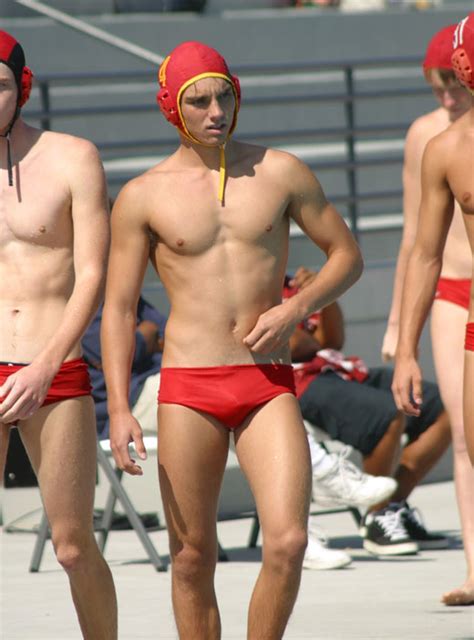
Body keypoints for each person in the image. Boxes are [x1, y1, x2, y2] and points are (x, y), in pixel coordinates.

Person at [101, 40, 362, 639]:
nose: (216, 111)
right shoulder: (143, 195)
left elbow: (346, 256)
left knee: (290, 541)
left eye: (225, 96)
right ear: (173, 108)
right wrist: (118, 408)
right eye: (200, 101)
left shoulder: (282, 171)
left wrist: (296, 306)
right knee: (192, 558)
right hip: (189, 385)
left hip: (266, 381)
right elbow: (116, 310)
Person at [0, 30, 117, 637]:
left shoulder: (74, 156)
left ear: (22, 87)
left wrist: (45, 364)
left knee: (73, 546)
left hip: (54, 363)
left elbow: (93, 273)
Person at [388, 19, 474, 606]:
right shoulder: (436, 143)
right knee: (466, 438)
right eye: (437, 81)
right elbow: (418, 243)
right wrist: (403, 334)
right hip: (454, 292)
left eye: (454, 78)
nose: (447, 91)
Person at [286, 267, 451, 556]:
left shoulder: (291, 283)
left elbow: (332, 341)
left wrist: (323, 295)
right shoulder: (245, 284)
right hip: (292, 383)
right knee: (387, 414)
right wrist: (311, 341)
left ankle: (389, 507)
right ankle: (379, 514)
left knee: (441, 405)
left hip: (336, 370)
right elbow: (290, 346)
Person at [82, 296, 166, 439]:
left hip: (155, 375)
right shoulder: (82, 299)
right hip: (130, 396)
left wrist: (146, 336)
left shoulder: (120, 291)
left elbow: (167, 333)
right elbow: (111, 354)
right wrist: (147, 334)